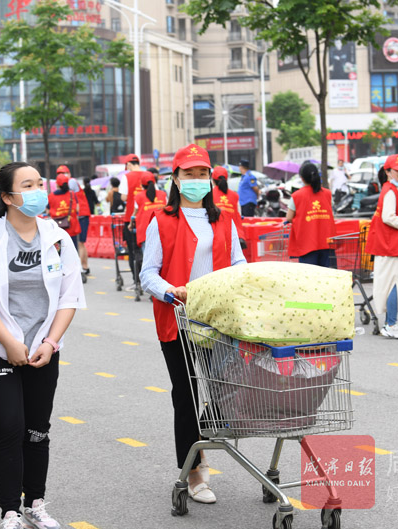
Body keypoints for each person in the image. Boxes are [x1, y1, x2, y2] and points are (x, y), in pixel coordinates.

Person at [0, 161, 85, 529]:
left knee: (37, 429)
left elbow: (69, 297)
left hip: (43, 350)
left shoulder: (57, 237)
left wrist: (51, 342)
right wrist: (10, 343)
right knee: (8, 426)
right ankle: (10, 510)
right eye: (28, 185)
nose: (39, 190)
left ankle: (35, 503)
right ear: (9, 196)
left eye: (39, 183)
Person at [140, 143, 246, 505]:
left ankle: (199, 439)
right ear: (176, 178)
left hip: (219, 322)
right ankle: (195, 472)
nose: (197, 180)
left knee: (227, 388)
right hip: (178, 321)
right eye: (189, 174)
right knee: (185, 397)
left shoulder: (224, 219)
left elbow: (238, 263)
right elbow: (147, 274)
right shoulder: (162, 220)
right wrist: (172, 292)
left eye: (203, 174)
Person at [364, 154, 398, 340]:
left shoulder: (393, 190)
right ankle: (391, 324)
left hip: (390, 244)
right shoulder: (390, 191)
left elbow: (397, 215)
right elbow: (388, 217)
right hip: (389, 245)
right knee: (394, 285)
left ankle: (391, 323)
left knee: (391, 284)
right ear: (388, 172)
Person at [286, 162, 337, 267]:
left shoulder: (296, 196)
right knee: (329, 277)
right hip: (327, 243)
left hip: (306, 244)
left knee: (309, 278)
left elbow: (289, 217)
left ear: (302, 178)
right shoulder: (327, 193)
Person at [64, 167, 92, 274]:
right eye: (61, 173)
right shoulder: (72, 182)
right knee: (80, 243)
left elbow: (68, 193)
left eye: (65, 173)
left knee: (80, 243)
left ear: (69, 173)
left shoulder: (71, 182)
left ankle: (81, 267)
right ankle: (84, 267)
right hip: (79, 216)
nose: (63, 175)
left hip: (81, 216)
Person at [133, 172, 167, 249]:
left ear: (142, 184)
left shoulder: (138, 196)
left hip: (145, 232)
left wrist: (130, 224)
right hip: (162, 231)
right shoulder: (163, 194)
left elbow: (134, 214)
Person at [48, 172, 81, 249]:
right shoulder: (72, 194)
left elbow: (47, 210)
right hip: (71, 227)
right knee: (73, 251)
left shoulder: (51, 196)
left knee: (59, 253)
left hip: (57, 229)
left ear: (57, 184)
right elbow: (77, 209)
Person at [211, 166, 244, 239]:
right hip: (233, 235)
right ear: (226, 179)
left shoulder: (209, 194)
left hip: (215, 234)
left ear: (212, 180)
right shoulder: (234, 195)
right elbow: (238, 214)